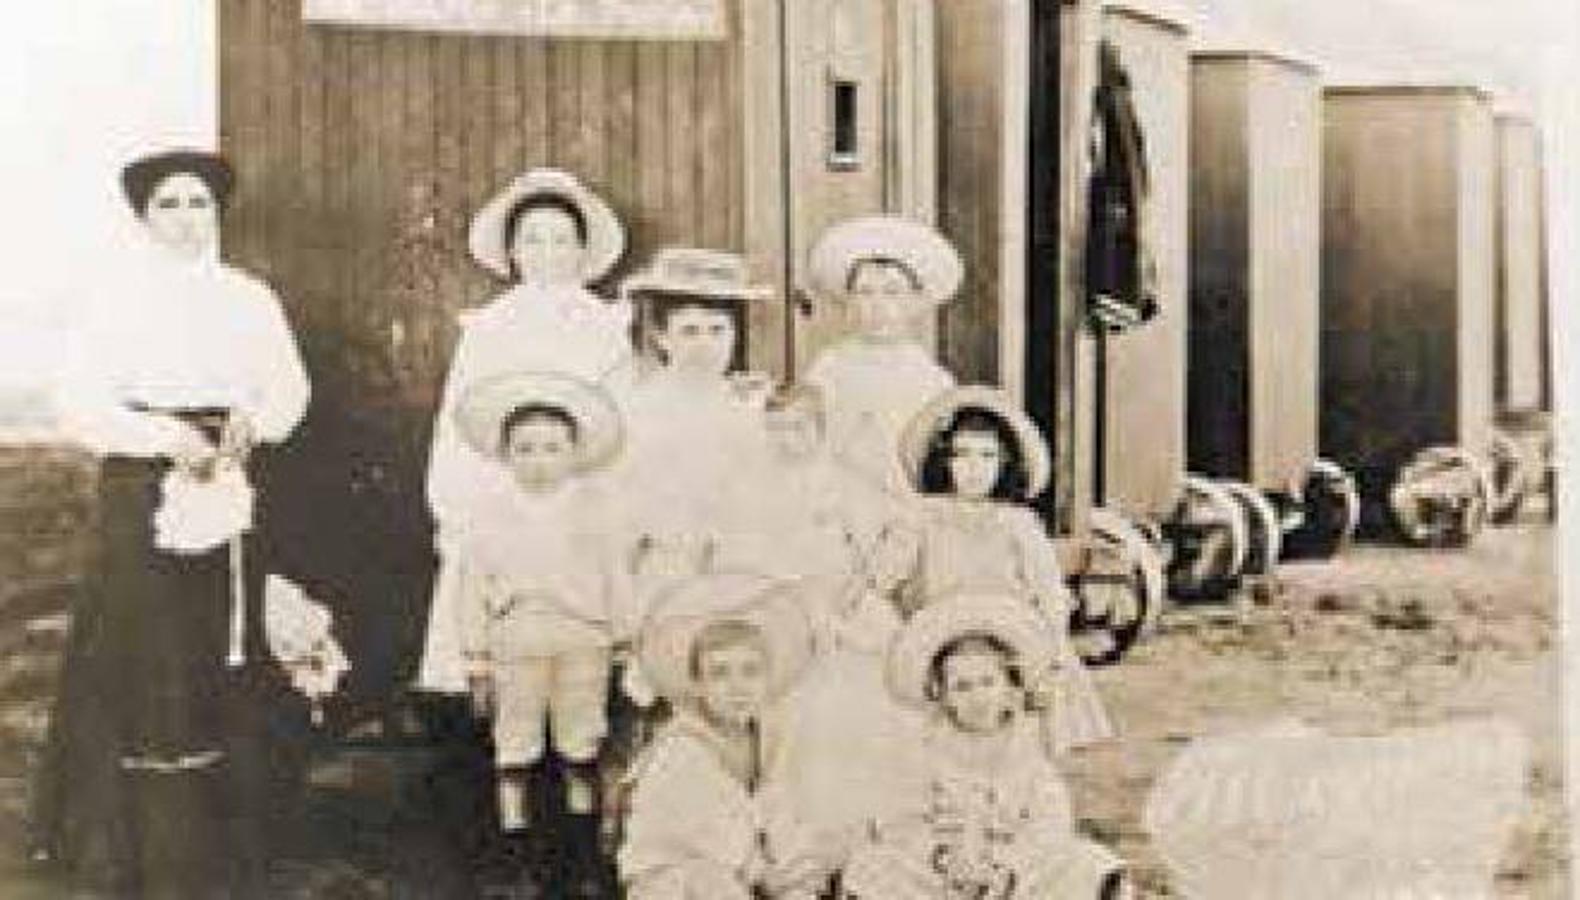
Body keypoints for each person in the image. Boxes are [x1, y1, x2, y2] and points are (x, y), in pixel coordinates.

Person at [42, 148, 311, 898]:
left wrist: (253, 422)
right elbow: (79, 400)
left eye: (199, 204)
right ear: (144, 218)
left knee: (222, 644)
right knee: (146, 647)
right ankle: (144, 853)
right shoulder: (114, 299)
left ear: (217, 214)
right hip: (145, 486)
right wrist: (165, 438)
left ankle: (227, 849)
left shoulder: (250, 298)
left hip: (229, 478)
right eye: (169, 205)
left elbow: (289, 385)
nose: (187, 219)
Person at [418, 167, 632, 697]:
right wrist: (457, 505)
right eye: (533, 239)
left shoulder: (606, 328)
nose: (547, 252)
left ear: (583, 251)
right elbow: (459, 418)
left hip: (583, 487)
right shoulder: (490, 327)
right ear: (513, 252)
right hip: (502, 485)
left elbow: (623, 415)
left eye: (562, 240)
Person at [445, 371, 641, 892]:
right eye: (525, 449)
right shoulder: (489, 518)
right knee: (516, 743)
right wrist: (476, 661)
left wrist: (625, 645)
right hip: (516, 643)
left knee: (581, 741)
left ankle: (580, 853)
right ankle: (517, 849)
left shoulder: (596, 514)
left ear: (575, 453)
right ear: (505, 454)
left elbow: (616, 580)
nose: (539, 460)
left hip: (584, 642)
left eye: (552, 448)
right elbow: (471, 592)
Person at [842, 594, 1131, 899]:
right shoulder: (926, 753)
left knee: (1088, 862)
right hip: (938, 874)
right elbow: (899, 819)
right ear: (943, 696)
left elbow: (1049, 821)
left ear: (1009, 689)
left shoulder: (1026, 752)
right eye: (962, 687)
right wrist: (940, 857)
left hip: (1011, 875)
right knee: (871, 866)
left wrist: (1008, 867)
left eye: (987, 683)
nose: (977, 697)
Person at [879, 385, 1113, 755]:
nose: (974, 469)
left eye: (987, 457)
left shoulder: (1017, 523)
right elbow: (885, 579)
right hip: (944, 645)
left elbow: (1049, 594)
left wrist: (1049, 654)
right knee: (941, 744)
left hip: (1012, 647)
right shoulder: (923, 517)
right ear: (945, 461)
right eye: (962, 455)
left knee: (1015, 743)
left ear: (1005, 464)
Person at [620, 573, 838, 899]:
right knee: (714, 883)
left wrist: (802, 861)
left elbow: (776, 808)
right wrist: (771, 874)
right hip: (677, 877)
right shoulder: (683, 750)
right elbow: (723, 838)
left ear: (768, 677)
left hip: (740, 862)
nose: (738, 688)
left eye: (751, 672)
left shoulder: (762, 734)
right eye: (720, 674)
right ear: (698, 685)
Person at [617, 248, 775, 596]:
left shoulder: (749, 406)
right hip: (667, 561)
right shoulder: (641, 410)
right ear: (661, 336)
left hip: (741, 557)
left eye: (717, 330)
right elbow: (626, 507)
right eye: (689, 331)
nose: (705, 344)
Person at [804, 215, 961, 496]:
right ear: (849, 301)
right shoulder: (828, 368)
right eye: (865, 293)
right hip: (838, 502)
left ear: (914, 301)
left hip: (906, 503)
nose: (878, 306)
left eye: (892, 292)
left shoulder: (931, 379)